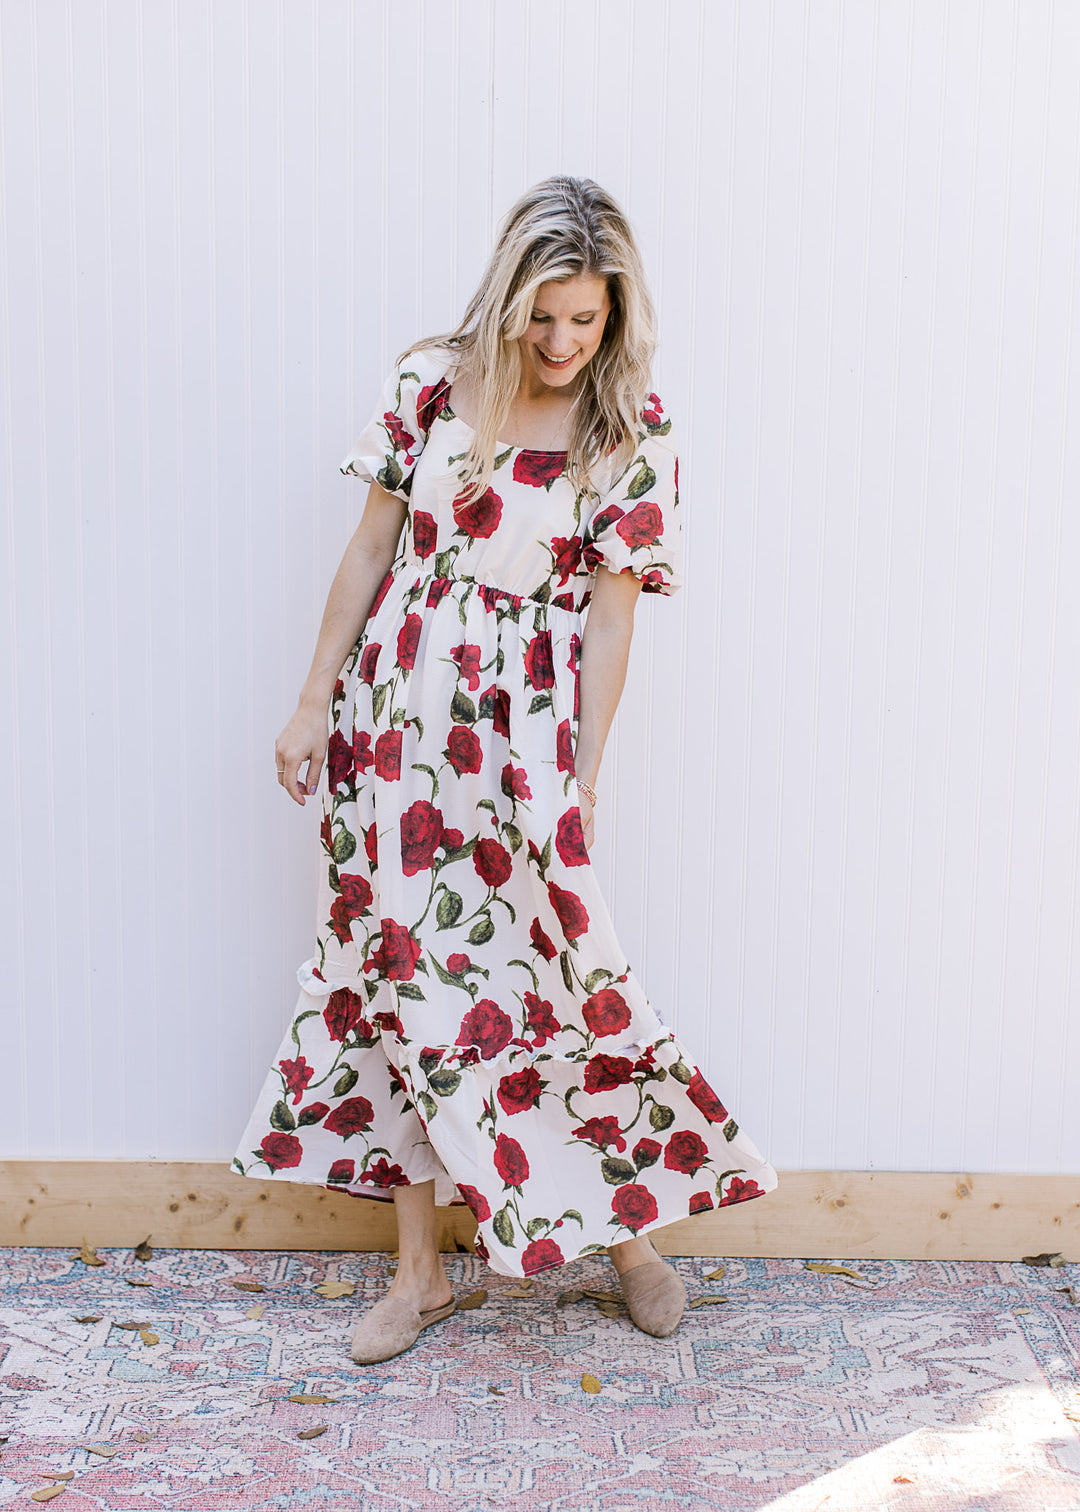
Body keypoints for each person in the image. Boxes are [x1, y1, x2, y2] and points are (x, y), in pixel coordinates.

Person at [230, 175, 777, 1364]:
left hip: (520, 738)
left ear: (616, 310)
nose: (564, 343)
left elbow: (611, 623)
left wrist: (578, 779)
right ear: (509, 296)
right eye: (545, 317)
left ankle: (627, 1237)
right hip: (393, 720)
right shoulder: (431, 380)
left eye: (587, 319)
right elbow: (373, 546)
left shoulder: (629, 428)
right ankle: (420, 1272)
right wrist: (314, 698)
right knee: (393, 974)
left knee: (555, 976)